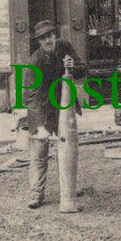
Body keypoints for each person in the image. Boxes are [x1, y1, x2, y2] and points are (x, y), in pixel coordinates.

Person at [24, 20, 85, 209]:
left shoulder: (65, 46)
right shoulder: (34, 62)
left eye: (50, 35)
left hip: (64, 106)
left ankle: (67, 188)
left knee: (67, 148)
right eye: (43, 38)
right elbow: (31, 96)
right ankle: (36, 193)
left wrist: (73, 65)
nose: (48, 40)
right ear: (39, 42)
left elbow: (83, 70)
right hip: (42, 107)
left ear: (54, 36)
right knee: (39, 152)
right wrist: (40, 126)